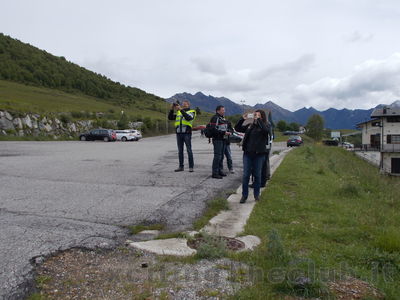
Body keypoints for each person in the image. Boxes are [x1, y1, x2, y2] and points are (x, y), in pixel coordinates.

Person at [235, 109, 271, 203]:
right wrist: (242, 119)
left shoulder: (266, 125)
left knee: (257, 175)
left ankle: (256, 195)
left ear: (262, 117)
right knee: (246, 175)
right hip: (248, 154)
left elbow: (266, 131)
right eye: (255, 115)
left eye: (258, 115)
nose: (255, 116)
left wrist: (258, 120)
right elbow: (237, 128)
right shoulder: (250, 126)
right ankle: (244, 195)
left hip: (259, 155)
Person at [168, 100, 196, 172]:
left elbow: (188, 118)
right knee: (180, 151)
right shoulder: (179, 112)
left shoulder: (192, 111)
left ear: (189, 105)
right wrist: (171, 109)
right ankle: (181, 167)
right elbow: (170, 117)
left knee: (189, 150)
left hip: (187, 133)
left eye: (185, 104)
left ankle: (191, 167)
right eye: (183, 104)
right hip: (179, 133)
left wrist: (180, 109)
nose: (184, 105)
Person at [209, 105, 231, 179]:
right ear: (218, 111)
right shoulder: (215, 118)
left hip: (223, 139)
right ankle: (214, 173)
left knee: (221, 156)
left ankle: (220, 170)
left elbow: (226, 127)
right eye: (222, 110)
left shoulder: (222, 118)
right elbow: (213, 129)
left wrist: (228, 131)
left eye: (224, 110)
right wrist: (223, 133)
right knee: (217, 156)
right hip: (217, 139)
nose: (224, 111)